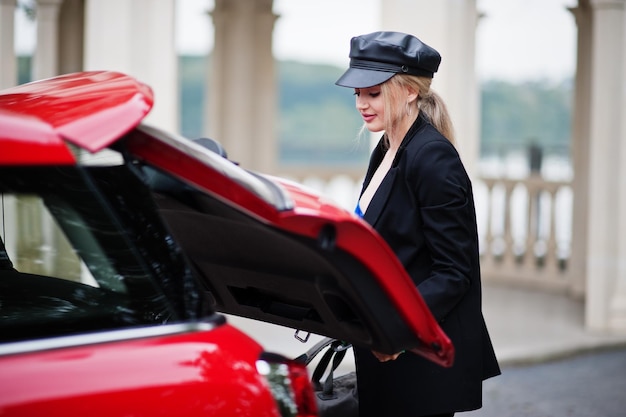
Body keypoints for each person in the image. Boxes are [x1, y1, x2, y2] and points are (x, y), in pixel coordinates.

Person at [335, 31, 501, 417]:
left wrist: (397, 330)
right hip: (386, 353)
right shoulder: (386, 149)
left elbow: (453, 273)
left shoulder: (433, 159)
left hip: (420, 362)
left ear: (409, 91)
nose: (361, 103)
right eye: (357, 93)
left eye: (373, 93)